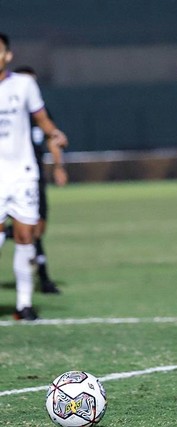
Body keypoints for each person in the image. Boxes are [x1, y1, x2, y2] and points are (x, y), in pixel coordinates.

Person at [0, 33, 68, 320]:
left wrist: (54, 132)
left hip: (23, 174)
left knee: (26, 236)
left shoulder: (24, 84)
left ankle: (24, 305)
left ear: (8, 55)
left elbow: (41, 117)